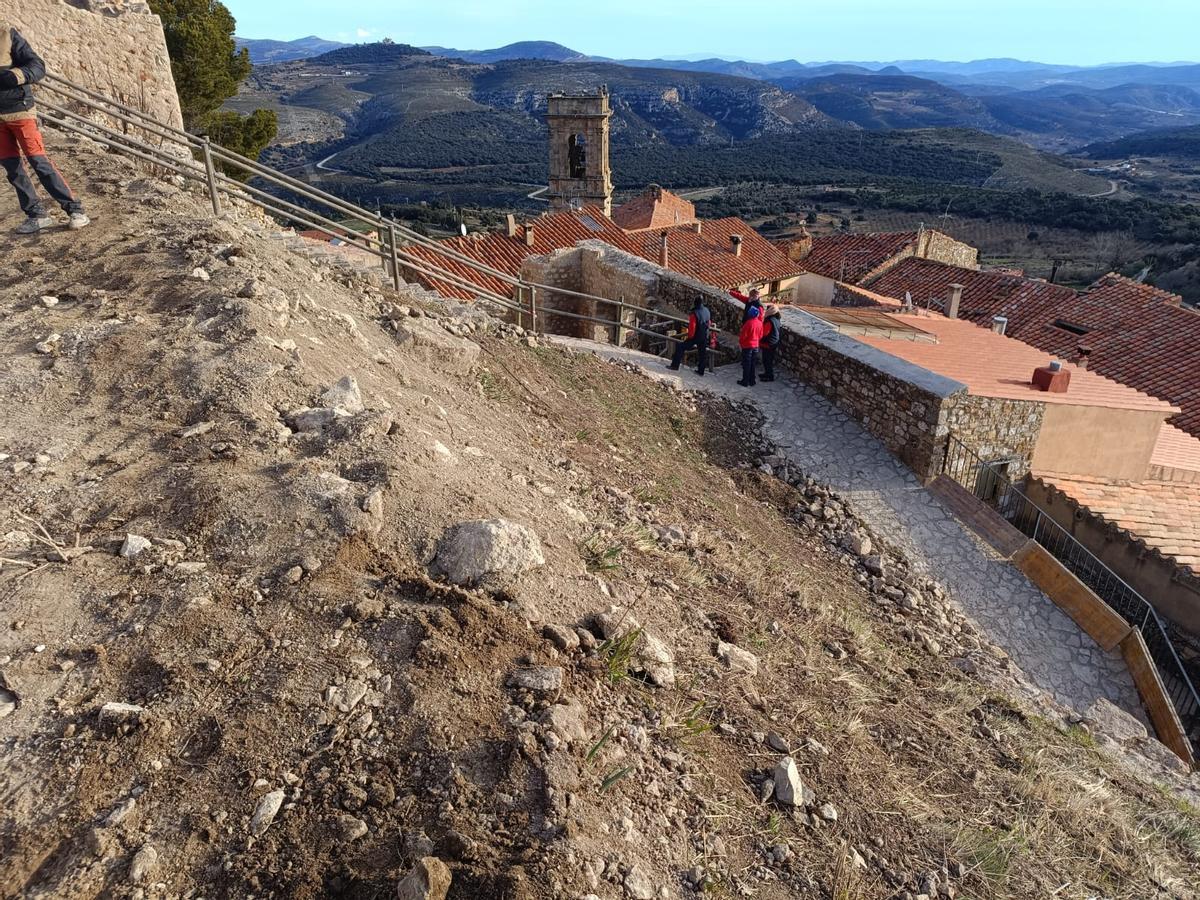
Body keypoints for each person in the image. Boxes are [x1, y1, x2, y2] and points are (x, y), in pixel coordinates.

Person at [1, 24, 89, 234]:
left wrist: (15, 76)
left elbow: (37, 65)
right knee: (13, 169)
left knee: (38, 161)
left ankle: (75, 210)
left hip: (20, 111)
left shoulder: (6, 34)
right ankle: (36, 215)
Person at [668, 296, 711, 376]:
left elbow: (692, 327)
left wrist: (690, 338)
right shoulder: (707, 311)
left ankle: (675, 365)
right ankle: (701, 371)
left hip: (696, 336)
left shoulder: (694, 314)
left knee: (680, 347)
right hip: (704, 335)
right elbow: (709, 323)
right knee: (702, 353)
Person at [737, 305, 763, 387]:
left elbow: (743, 336)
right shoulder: (760, 323)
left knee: (746, 364)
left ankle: (745, 381)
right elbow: (761, 335)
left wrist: (741, 343)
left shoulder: (748, 323)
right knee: (752, 363)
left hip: (747, 346)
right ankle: (752, 380)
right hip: (756, 346)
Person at [760, 303, 782, 381]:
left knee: (766, 360)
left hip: (768, 343)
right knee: (769, 359)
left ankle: (769, 376)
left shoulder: (770, 320)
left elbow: (765, 333)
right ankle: (767, 374)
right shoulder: (777, 319)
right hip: (774, 342)